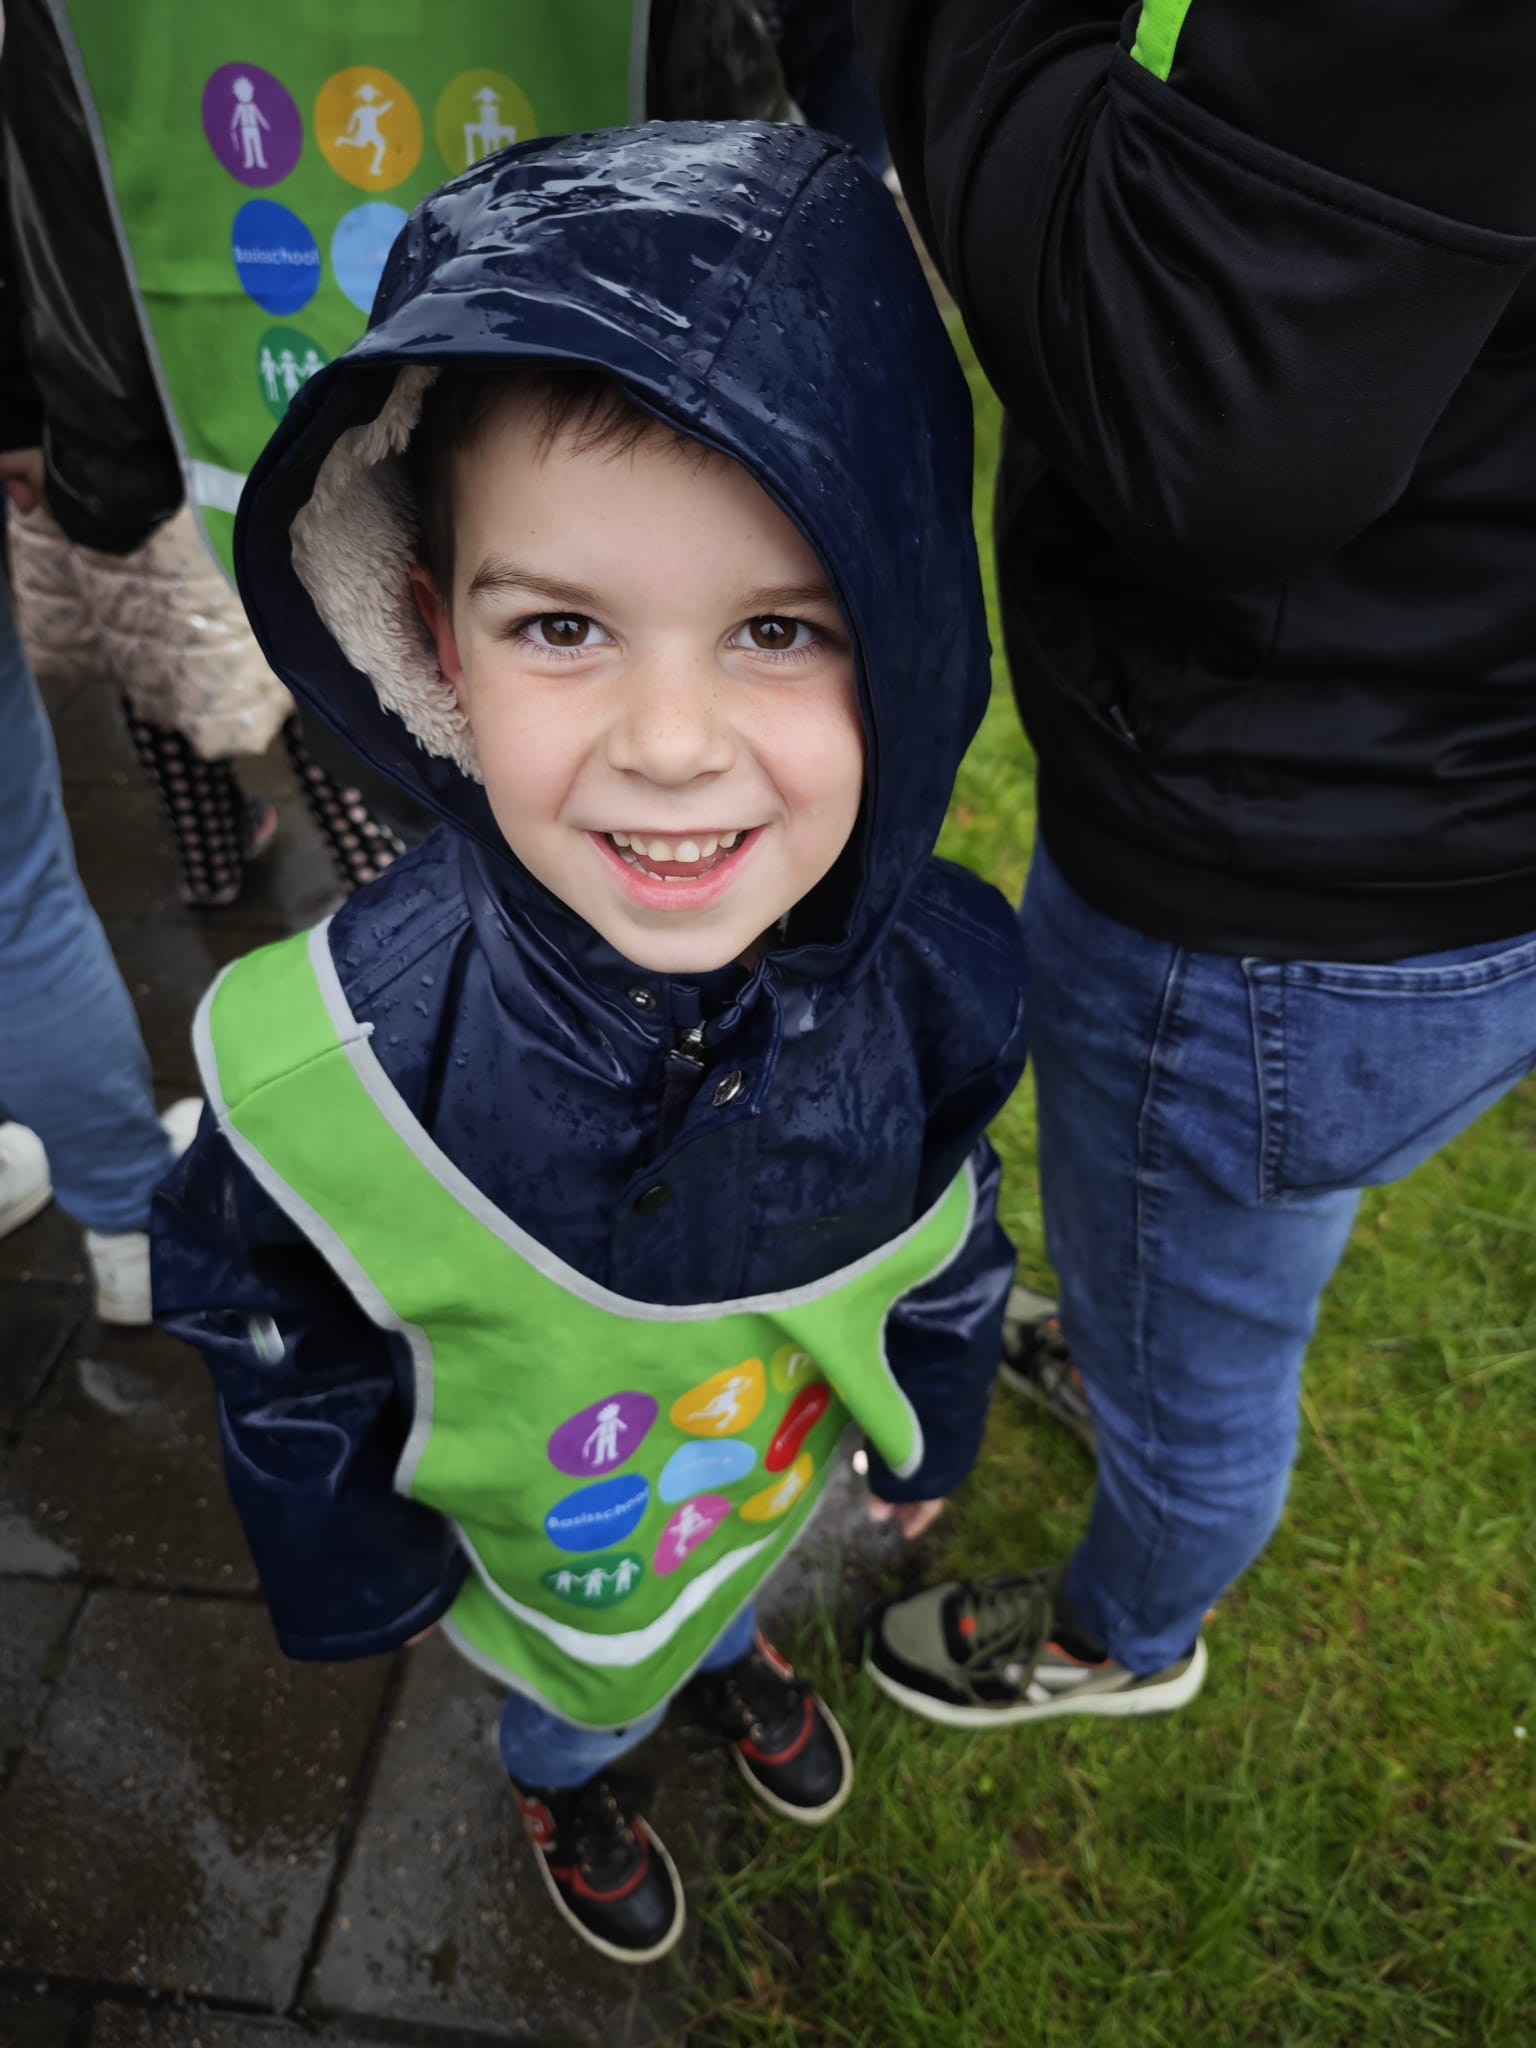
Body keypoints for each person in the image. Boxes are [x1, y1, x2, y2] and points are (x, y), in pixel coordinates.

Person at [152, 122, 1028, 1966]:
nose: (672, 743)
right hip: (544, 1550)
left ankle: (727, 1649)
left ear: (915, 639)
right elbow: (266, 1320)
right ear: (434, 641)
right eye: (563, 625)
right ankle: (568, 1772)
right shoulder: (336, 1060)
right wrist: (357, 1565)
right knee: (582, 1688)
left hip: (750, 1492)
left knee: (712, 1601)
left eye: (777, 628)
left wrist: (934, 1418)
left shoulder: (937, 983)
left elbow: (955, 1234)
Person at [854, 0, 1536, 1728]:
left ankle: (1124, 1640)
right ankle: (1125, 1347)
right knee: (1226, 1231)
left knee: (1207, 1386)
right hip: (1422, 811)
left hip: (1280, 881)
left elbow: (1203, 412)